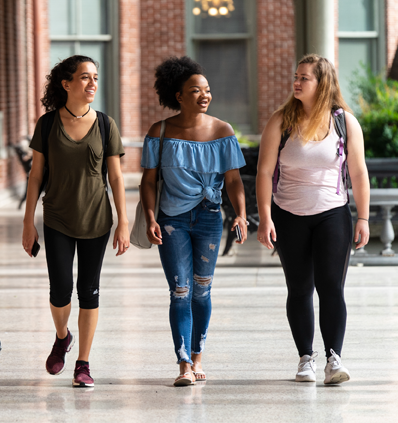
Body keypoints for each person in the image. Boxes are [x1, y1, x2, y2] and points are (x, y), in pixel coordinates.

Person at [256, 54, 370, 384]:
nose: (297, 82)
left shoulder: (344, 123)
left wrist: (362, 217)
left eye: (304, 77)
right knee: (300, 288)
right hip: (289, 214)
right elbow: (264, 172)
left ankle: (334, 358)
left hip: (333, 214)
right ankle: (305, 358)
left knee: (331, 287)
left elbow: (358, 172)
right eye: (296, 76)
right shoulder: (281, 120)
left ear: (322, 84)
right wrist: (265, 217)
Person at [21, 55, 129, 388]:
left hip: (97, 219)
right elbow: (35, 176)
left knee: (89, 291)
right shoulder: (48, 124)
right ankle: (61, 336)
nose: (92, 83)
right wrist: (28, 222)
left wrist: (124, 221)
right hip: (56, 217)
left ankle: (83, 363)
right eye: (84, 77)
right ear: (66, 84)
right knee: (60, 290)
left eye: (95, 77)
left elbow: (116, 177)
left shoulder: (106, 125)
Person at [140, 56, 247, 387]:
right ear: (178, 95)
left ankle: (198, 355)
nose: (204, 95)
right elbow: (148, 181)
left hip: (209, 218)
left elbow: (233, 181)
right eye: (196, 90)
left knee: (201, 290)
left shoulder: (222, 130)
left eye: (208, 90)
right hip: (171, 220)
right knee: (180, 291)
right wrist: (149, 217)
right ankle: (184, 362)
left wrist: (241, 214)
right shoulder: (160, 132)